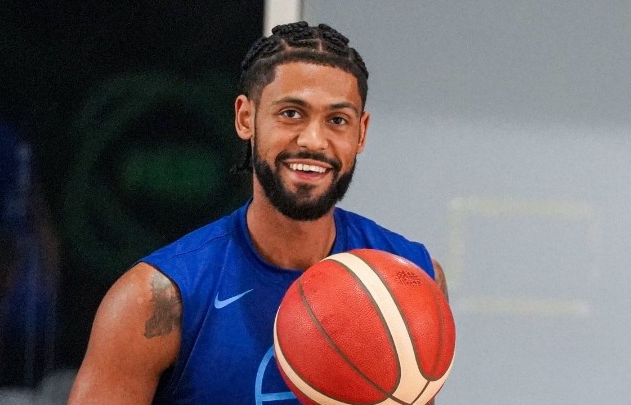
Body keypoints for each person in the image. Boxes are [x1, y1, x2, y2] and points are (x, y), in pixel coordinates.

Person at [68, 21, 448, 405]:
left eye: (337, 120)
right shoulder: (154, 301)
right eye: (291, 113)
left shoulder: (414, 280)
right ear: (245, 118)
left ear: (361, 133)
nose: (313, 140)